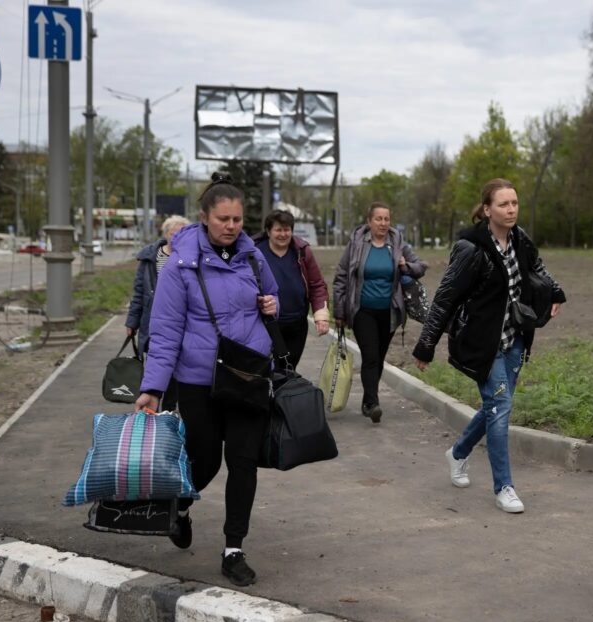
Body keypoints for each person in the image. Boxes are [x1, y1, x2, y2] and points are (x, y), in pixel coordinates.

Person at [134, 172, 279, 587]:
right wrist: (153, 387)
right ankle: (178, 508)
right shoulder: (180, 264)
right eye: (223, 219)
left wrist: (271, 303)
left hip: (248, 374)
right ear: (204, 218)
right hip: (198, 380)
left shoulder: (253, 256)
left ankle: (234, 549)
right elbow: (164, 331)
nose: (232, 226)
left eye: (237, 219)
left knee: (244, 460)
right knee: (206, 459)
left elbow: (273, 300)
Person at [412, 178, 565, 513]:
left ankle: (457, 453)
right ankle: (504, 487)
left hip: (514, 339)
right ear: (486, 209)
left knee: (497, 406)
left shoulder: (520, 240)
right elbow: (445, 298)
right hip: (482, 343)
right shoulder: (471, 248)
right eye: (503, 204)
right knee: (500, 409)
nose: (511, 210)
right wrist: (426, 345)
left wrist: (556, 291)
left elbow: (537, 269)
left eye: (514, 203)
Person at [332, 202, 426, 422]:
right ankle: (373, 403)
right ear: (369, 221)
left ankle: (367, 400)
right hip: (362, 310)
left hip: (390, 312)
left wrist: (405, 266)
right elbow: (341, 275)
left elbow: (420, 267)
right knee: (370, 356)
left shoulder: (398, 243)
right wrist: (339, 310)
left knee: (379, 357)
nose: (383, 223)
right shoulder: (357, 244)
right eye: (379, 219)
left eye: (386, 219)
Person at [254, 209, 330, 370]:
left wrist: (321, 315)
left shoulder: (302, 252)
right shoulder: (255, 252)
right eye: (278, 230)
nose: (283, 234)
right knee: (268, 369)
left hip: (296, 324)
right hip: (266, 323)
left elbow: (316, 284)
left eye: (287, 229)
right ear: (268, 231)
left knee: (289, 369)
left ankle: (285, 395)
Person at [125, 214, 187, 410]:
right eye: (172, 233)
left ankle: (168, 411)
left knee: (176, 373)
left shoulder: (188, 259)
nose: (176, 237)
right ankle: (154, 412)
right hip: (151, 324)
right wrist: (131, 322)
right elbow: (139, 293)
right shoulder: (149, 259)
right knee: (157, 366)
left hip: (181, 325)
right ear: (166, 234)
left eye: (181, 233)